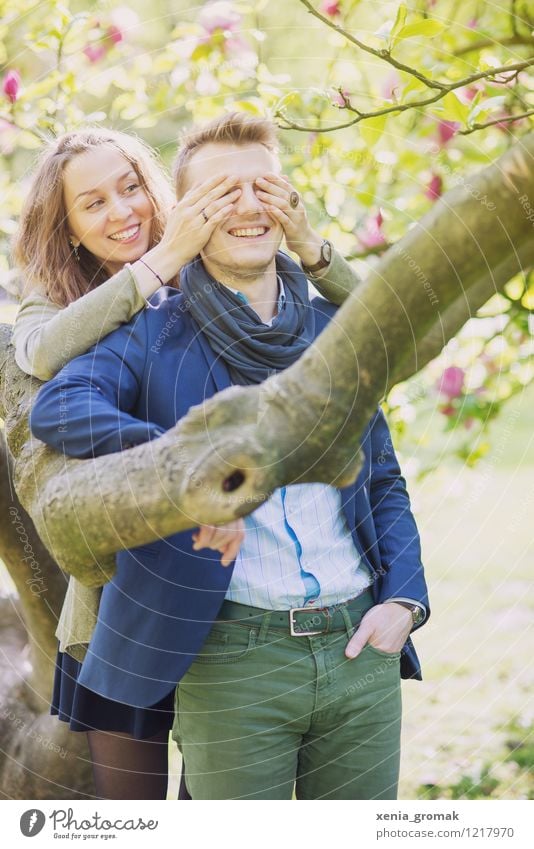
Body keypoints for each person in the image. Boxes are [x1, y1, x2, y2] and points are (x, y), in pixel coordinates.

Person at [29, 113, 429, 800]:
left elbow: (385, 455)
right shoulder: (145, 327)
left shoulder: (332, 329)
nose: (246, 205)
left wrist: (405, 598)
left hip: (355, 644)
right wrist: (191, 473)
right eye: (221, 193)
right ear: (189, 214)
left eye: (263, 187)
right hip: (191, 628)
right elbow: (54, 395)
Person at [12, 126, 247, 799]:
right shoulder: (53, 299)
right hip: (114, 607)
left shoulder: (214, 277)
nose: (123, 211)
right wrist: (159, 261)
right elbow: (40, 352)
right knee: (134, 820)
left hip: (228, 595)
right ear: (70, 230)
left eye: (132, 186)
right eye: (94, 203)